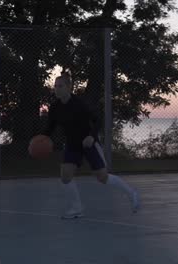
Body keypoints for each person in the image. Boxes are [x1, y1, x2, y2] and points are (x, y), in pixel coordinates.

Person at [41, 71, 140, 219]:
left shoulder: (79, 104)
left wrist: (91, 137)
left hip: (88, 143)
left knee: (102, 177)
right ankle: (77, 208)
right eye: (55, 86)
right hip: (72, 144)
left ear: (69, 87)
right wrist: (41, 139)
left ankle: (131, 193)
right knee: (65, 175)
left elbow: (97, 121)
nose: (56, 89)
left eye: (60, 86)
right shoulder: (55, 108)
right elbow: (50, 127)